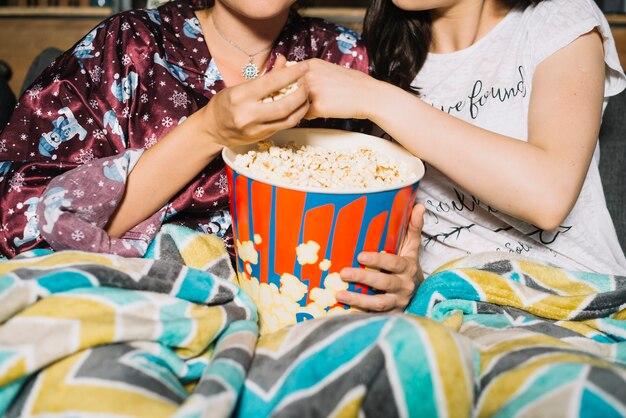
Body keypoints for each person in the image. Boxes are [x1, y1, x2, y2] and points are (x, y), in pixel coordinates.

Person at [0, 0, 424, 313]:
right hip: (147, 303)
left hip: (306, 317)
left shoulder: (346, 60)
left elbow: (392, 217)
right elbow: (24, 227)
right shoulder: (128, 48)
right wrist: (207, 131)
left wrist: (402, 277)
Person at [302, 0, 626, 286]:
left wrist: (376, 99)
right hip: (447, 308)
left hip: (577, 297)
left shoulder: (558, 20)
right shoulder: (377, 60)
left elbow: (548, 196)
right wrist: (407, 279)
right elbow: (412, 248)